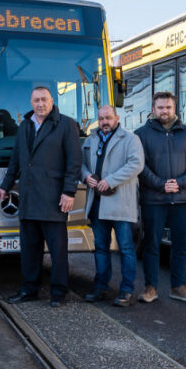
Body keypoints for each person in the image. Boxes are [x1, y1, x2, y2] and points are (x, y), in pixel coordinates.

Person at [0, 86, 82, 308]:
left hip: (54, 199)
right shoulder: (25, 125)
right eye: (36, 100)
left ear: (52, 101)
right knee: (29, 251)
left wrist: (69, 191)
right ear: (31, 103)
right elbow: (16, 161)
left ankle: (58, 293)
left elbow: (74, 162)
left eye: (44, 99)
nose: (40, 104)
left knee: (58, 251)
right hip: (29, 199)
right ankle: (29, 290)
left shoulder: (66, 124)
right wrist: (5, 186)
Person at [135, 91, 186, 304]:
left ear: (175, 108)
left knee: (180, 245)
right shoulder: (141, 134)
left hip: (182, 198)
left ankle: (178, 286)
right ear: (153, 109)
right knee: (152, 245)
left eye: (168, 107)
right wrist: (160, 184)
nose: (164, 111)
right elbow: (139, 165)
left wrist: (180, 182)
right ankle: (151, 287)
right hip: (154, 199)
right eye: (160, 107)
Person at [81, 105, 144, 307]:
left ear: (117, 118)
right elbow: (79, 163)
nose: (104, 122)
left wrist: (111, 180)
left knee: (125, 248)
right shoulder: (91, 139)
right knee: (100, 248)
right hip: (97, 203)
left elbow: (136, 165)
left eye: (108, 118)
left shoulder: (130, 139)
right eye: (101, 119)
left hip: (120, 202)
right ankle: (101, 287)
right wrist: (86, 176)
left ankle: (126, 291)